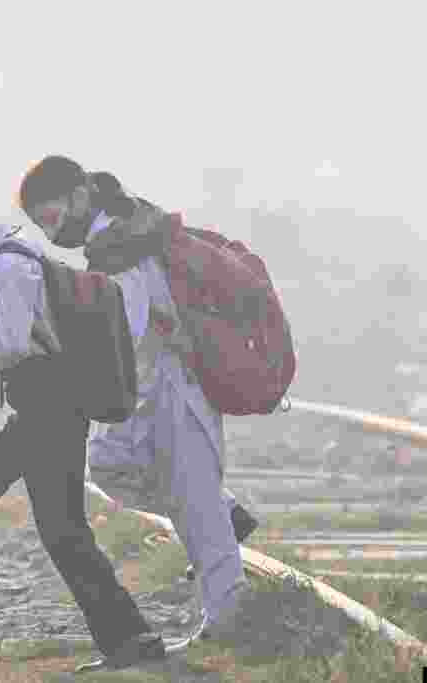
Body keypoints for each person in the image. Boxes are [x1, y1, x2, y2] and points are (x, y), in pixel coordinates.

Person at [0, 173, 168, 673]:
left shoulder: (8, 265)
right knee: (56, 528)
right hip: (45, 408)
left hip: (51, 408)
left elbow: (13, 346)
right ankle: (127, 639)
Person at [18, 155, 255, 645]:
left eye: (52, 216)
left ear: (80, 197)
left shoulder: (116, 246)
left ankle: (231, 625)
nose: (51, 230)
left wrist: (96, 383)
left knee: (194, 503)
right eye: (42, 224)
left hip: (171, 384)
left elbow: (136, 330)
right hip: (155, 384)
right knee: (128, 474)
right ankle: (227, 536)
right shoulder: (119, 234)